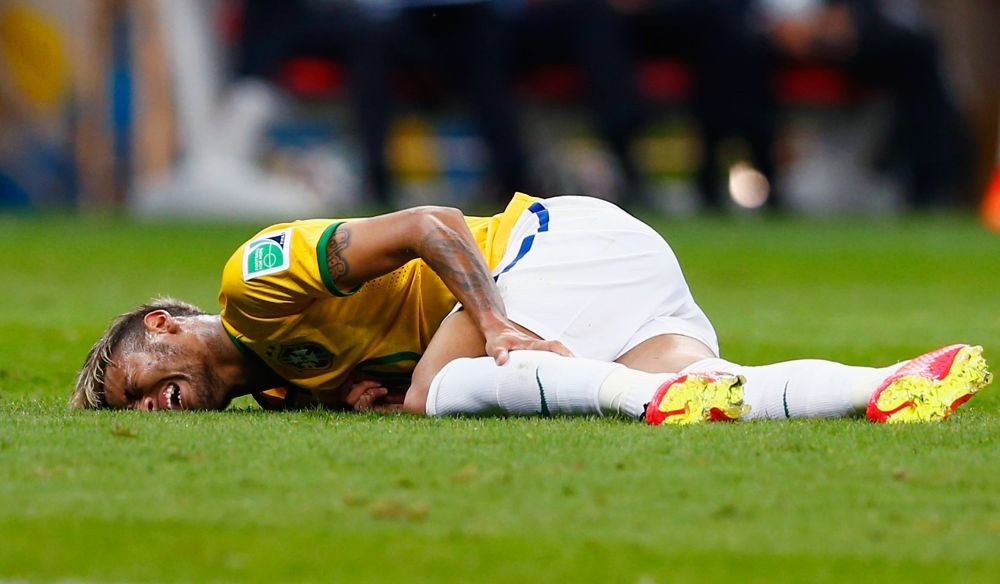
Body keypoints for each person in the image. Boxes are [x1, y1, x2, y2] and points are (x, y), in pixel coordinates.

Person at [69, 193, 992, 423]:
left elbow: (429, 224)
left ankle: (641, 402)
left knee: (442, 394)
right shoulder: (284, 393)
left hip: (548, 247)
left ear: (160, 323)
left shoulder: (256, 283)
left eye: (133, 383)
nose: (146, 406)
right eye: (131, 412)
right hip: (605, 272)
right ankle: (890, 384)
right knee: (721, 389)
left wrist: (496, 317)